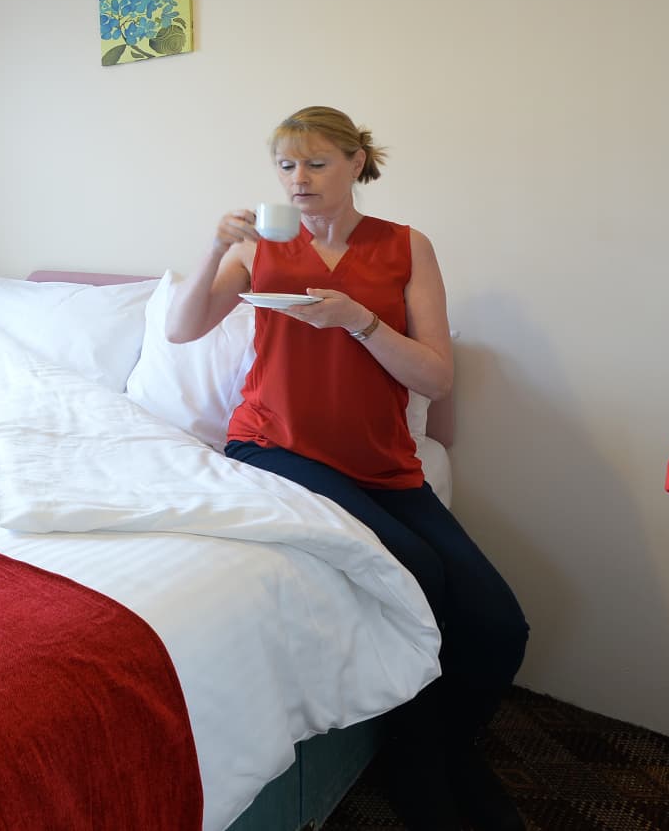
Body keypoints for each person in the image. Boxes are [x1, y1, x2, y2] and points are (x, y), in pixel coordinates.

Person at [165, 106, 528, 831]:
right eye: (286, 165)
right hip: (274, 446)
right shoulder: (262, 249)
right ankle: (422, 764)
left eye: (316, 162)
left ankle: (444, 744)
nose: (298, 179)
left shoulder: (405, 247)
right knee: (419, 571)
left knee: (499, 621)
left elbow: (435, 378)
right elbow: (181, 327)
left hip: (381, 464)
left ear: (358, 162)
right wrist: (212, 251)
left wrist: (358, 321)